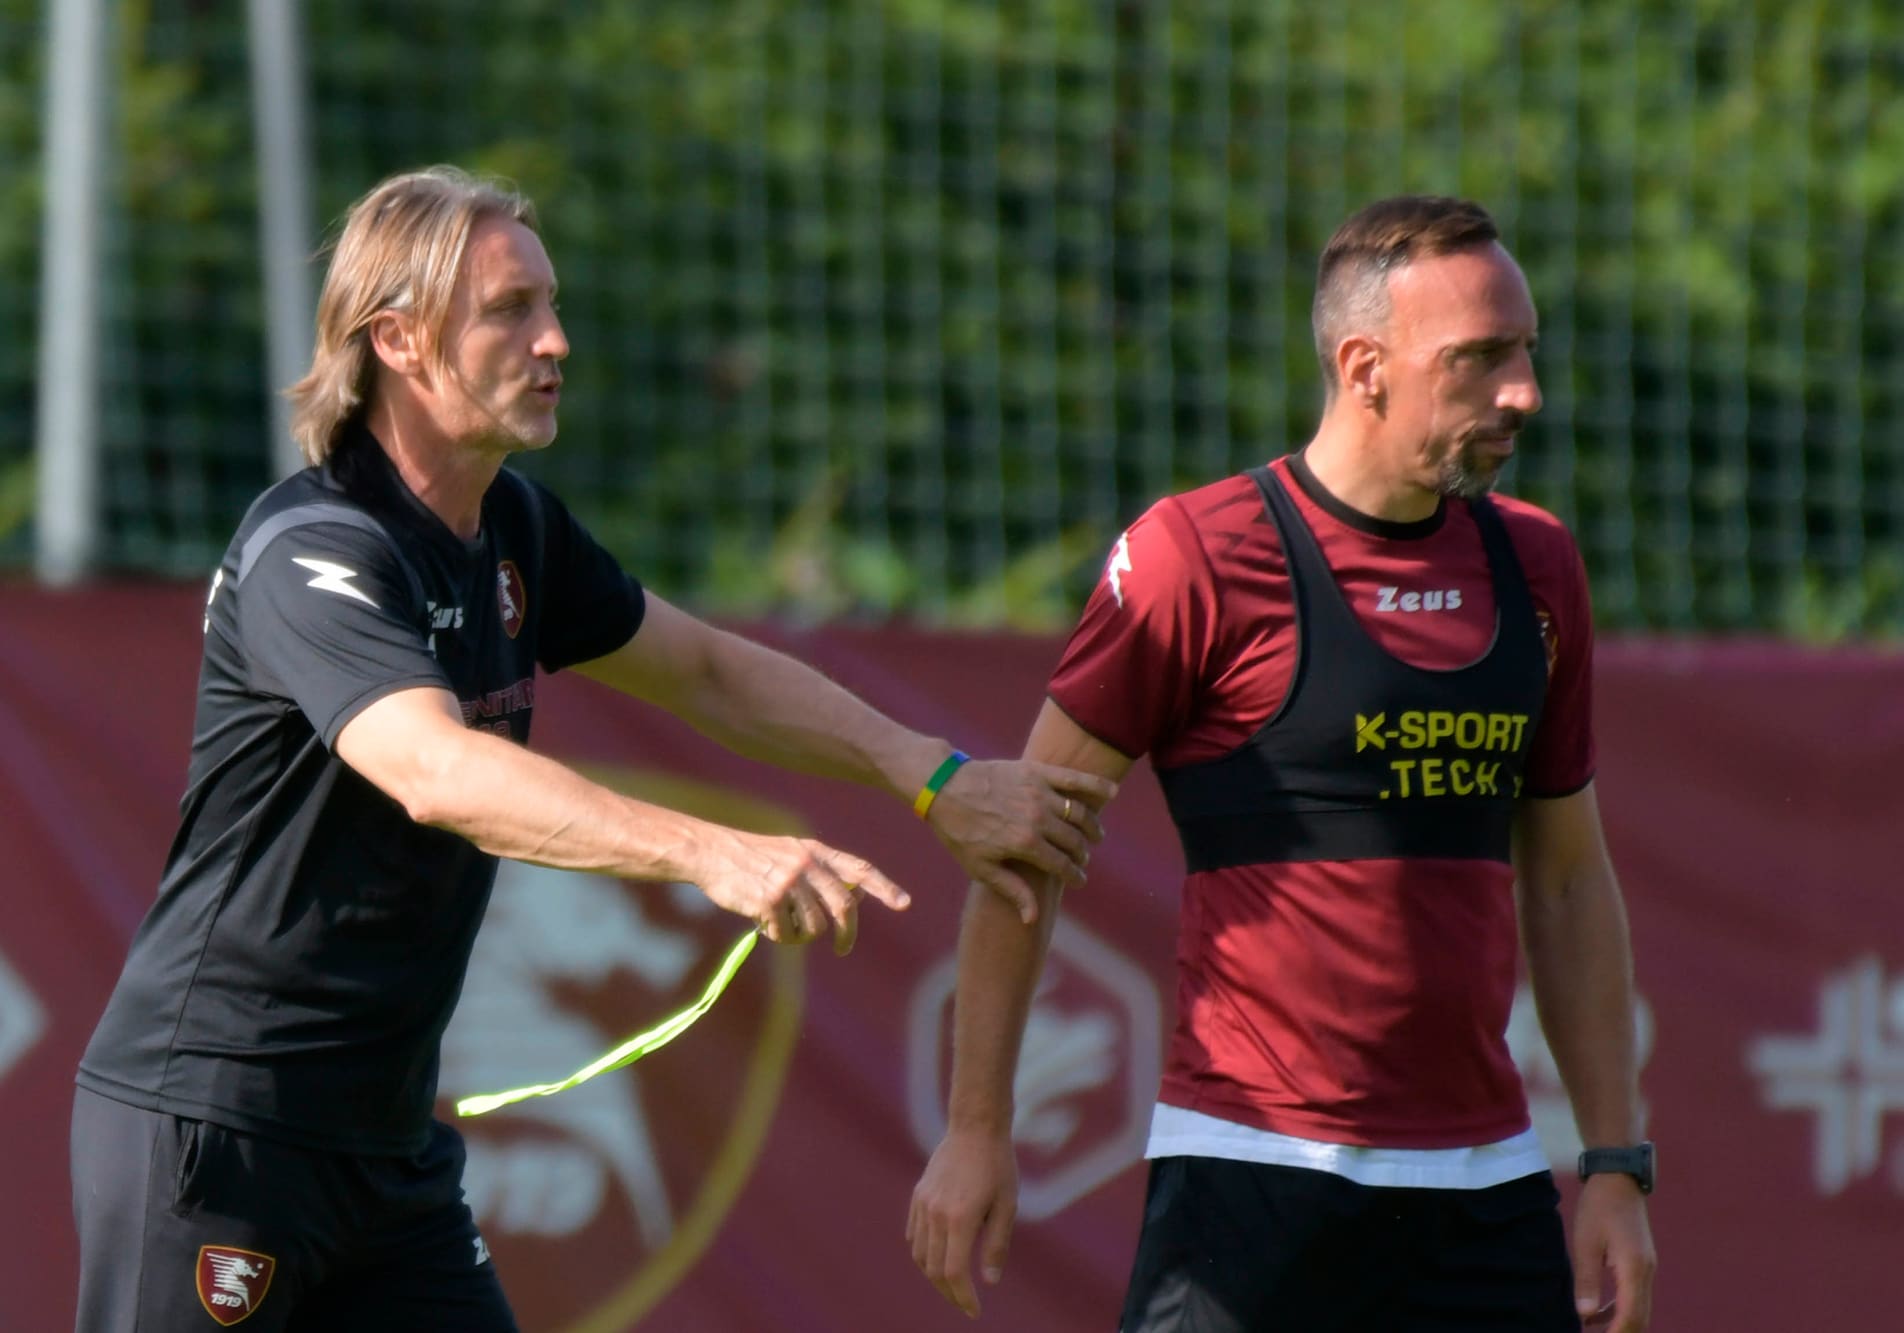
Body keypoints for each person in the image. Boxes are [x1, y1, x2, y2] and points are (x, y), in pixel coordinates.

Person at [70, 165, 1113, 1333]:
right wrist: (713, 851)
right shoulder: (314, 548)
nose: (555, 339)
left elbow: (707, 671)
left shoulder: (514, 527)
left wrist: (932, 774)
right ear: (399, 341)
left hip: (388, 1152)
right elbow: (436, 772)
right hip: (220, 1126)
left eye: (552, 303)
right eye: (510, 310)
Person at [908, 196, 1656, 1332]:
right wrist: (975, 1128)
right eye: (1480, 358)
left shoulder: (1537, 565)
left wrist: (1613, 1164)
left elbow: (1565, 880)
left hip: (1485, 1192)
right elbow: (1024, 846)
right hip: (1249, 1176)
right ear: (1364, 367)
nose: (1523, 393)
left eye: (1526, 351)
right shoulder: (1194, 557)